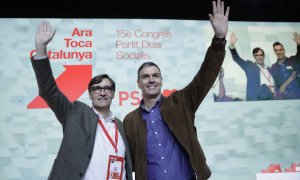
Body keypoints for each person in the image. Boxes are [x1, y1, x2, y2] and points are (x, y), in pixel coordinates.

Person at [123, 0, 229, 179]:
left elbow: (205, 76)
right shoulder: (130, 120)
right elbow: (126, 159)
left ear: (161, 81)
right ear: (138, 83)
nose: (151, 80)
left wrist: (219, 40)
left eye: (155, 75)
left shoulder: (180, 103)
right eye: (145, 76)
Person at [30, 21, 132, 180]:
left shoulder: (121, 126)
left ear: (113, 94)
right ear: (90, 94)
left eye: (107, 88)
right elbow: (48, 90)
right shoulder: (75, 114)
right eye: (97, 88)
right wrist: (41, 49)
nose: (102, 92)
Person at [228, 32, 275, 101]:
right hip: (255, 100)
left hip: (272, 99)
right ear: (254, 57)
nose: (259, 57)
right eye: (256, 55)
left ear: (264, 56)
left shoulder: (270, 69)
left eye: (261, 55)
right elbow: (237, 58)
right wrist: (232, 45)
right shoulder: (249, 66)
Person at [270, 32, 300, 99]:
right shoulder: (273, 67)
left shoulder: (293, 60)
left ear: (284, 50)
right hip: (286, 100)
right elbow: (276, 86)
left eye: (280, 50)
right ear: (274, 52)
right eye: (276, 50)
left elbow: (299, 55)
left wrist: (299, 44)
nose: (279, 52)